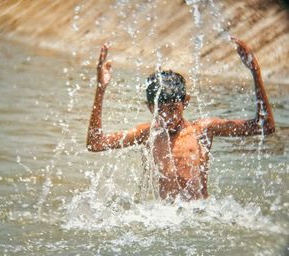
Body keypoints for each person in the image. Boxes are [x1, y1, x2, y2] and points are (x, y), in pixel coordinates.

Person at [86, 38, 275, 201]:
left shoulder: (203, 130)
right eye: (161, 110)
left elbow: (264, 126)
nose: (168, 117)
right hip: (167, 219)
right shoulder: (147, 134)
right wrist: (100, 89)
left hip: (200, 214)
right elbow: (95, 143)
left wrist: (255, 72)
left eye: (173, 109)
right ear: (150, 107)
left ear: (185, 103)